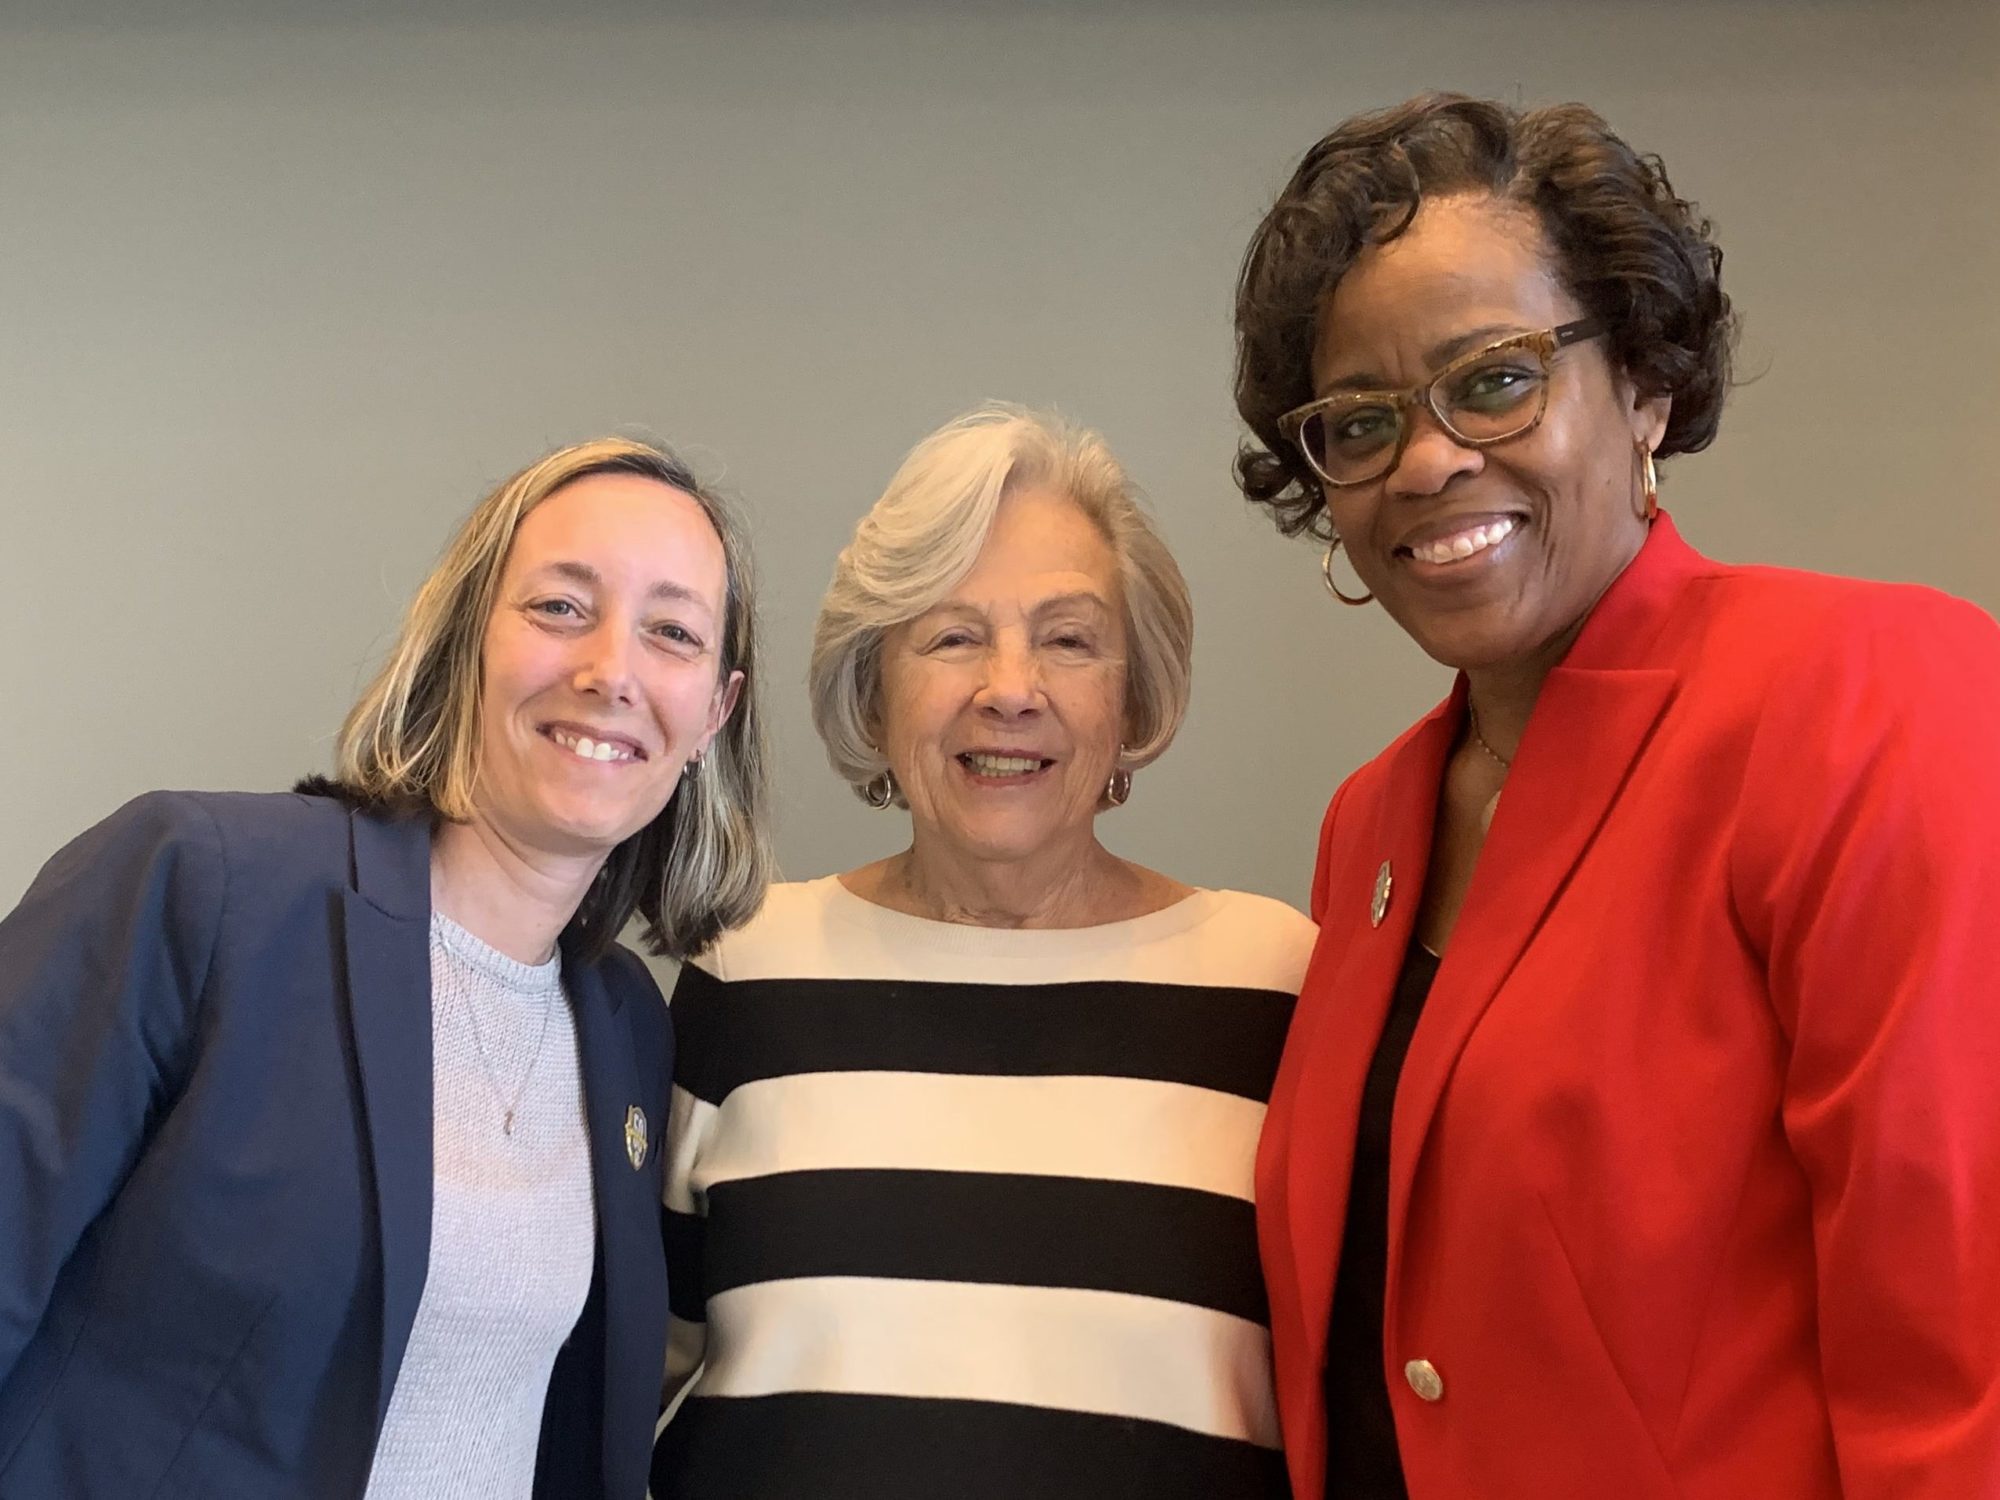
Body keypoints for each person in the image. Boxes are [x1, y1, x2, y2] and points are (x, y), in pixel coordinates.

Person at [1230, 92, 2000, 1499]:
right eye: (1360, 420)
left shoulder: (1867, 700)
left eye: (1496, 379)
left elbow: (1960, 1358)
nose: (1428, 459)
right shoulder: (1371, 826)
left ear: (1644, 384)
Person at [0, 437, 773, 1499]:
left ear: (712, 718)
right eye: (558, 607)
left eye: (672, 632)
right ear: (467, 640)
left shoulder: (625, 1021)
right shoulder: (200, 888)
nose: (611, 672)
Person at [650, 405, 1316, 1500]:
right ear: (873, 684)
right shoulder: (744, 972)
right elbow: (635, 1381)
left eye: (1067, 637)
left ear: (1131, 690)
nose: (1011, 688)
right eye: (952, 635)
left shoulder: (1272, 980)